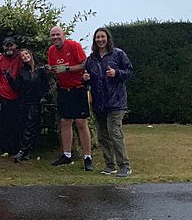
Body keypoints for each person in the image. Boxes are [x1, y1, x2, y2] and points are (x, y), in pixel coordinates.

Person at [83, 27, 133, 178]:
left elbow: (129, 72)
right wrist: (85, 78)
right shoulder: (91, 59)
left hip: (116, 102)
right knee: (102, 135)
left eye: (102, 37)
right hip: (99, 103)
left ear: (107, 38)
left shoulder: (118, 54)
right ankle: (109, 165)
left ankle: (124, 166)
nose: (100, 40)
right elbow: (87, 78)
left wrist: (116, 73)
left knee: (114, 132)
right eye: (97, 37)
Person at [47, 26, 93, 171]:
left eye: (58, 35)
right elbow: (54, 68)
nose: (55, 38)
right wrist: (51, 70)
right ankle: (67, 155)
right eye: (53, 35)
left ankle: (88, 157)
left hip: (78, 88)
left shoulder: (73, 45)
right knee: (65, 121)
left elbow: (84, 64)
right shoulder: (51, 50)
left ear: (63, 35)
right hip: (63, 89)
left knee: (81, 122)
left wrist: (66, 68)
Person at [6, 48, 49, 163]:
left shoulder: (40, 69)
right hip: (24, 101)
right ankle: (27, 151)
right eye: (22, 56)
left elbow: (45, 86)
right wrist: (10, 79)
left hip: (35, 102)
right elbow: (18, 88)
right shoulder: (22, 70)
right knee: (23, 126)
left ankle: (22, 151)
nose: (25, 56)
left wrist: (43, 97)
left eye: (26, 54)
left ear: (30, 54)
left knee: (30, 126)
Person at [0, 36, 23, 157]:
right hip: (3, 95)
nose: (9, 47)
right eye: (7, 45)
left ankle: (18, 148)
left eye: (11, 45)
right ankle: (6, 148)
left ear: (15, 46)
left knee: (17, 122)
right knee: (4, 124)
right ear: (3, 47)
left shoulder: (20, 58)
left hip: (18, 95)